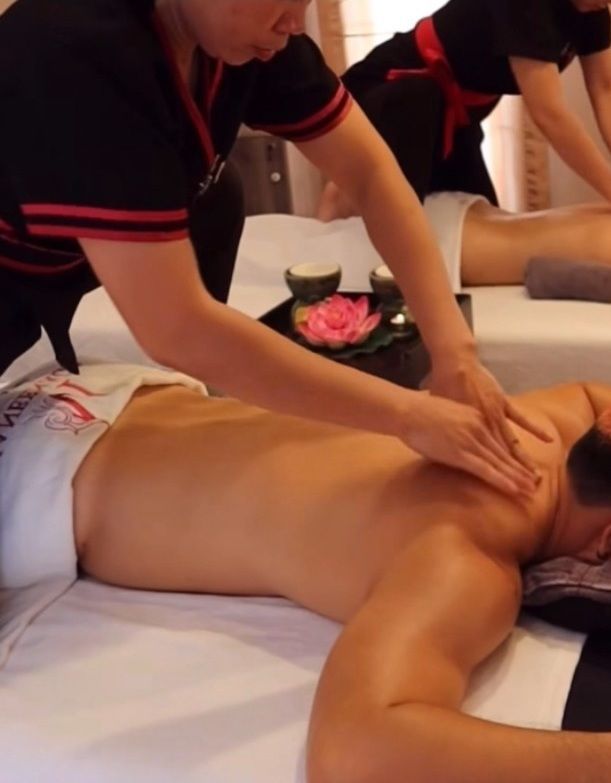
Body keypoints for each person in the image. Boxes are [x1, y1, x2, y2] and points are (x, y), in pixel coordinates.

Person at [0, 0, 550, 496]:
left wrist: (454, 352)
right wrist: (408, 415)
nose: (295, 22)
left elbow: (372, 173)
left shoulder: (247, 36)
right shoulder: (77, 50)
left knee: (222, 195)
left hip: (48, 271)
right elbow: (176, 328)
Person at [2, 362, 611, 781]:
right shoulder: (479, 537)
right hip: (51, 443)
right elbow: (352, 754)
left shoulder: (539, 435)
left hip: (62, 418)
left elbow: (354, 753)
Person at [318, 0, 611, 218]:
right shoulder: (527, 5)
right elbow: (550, 114)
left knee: (478, 217)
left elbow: (605, 91)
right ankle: (338, 206)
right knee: (392, 220)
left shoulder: (593, 7)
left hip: (454, 118)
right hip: (395, 94)